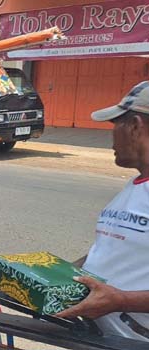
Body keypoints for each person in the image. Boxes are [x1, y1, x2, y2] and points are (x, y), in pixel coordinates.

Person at [55, 81, 149, 342]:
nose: (110, 135)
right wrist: (53, 275)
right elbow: (111, 250)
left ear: (134, 127)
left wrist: (120, 300)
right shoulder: (135, 186)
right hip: (103, 338)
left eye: (114, 124)